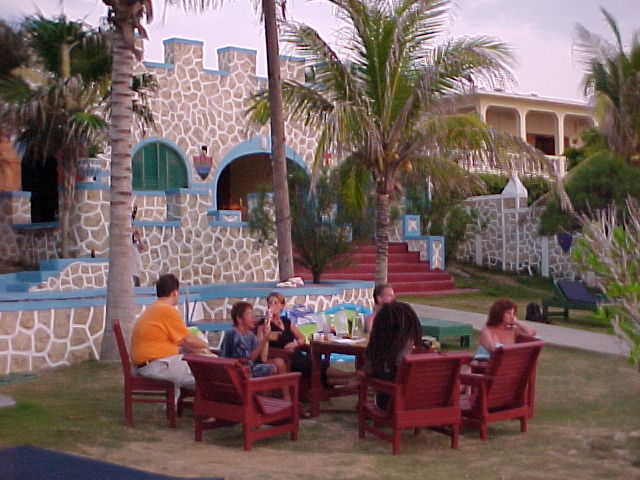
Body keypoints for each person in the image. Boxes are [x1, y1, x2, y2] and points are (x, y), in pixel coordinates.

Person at [131, 273, 211, 401]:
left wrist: (199, 351)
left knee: (200, 367)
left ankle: (179, 405)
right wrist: (206, 345)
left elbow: (182, 341)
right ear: (175, 293)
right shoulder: (167, 310)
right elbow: (188, 338)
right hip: (157, 365)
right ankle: (211, 406)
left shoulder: (154, 308)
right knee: (206, 373)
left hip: (149, 364)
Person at [256, 292, 357, 387]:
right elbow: (261, 344)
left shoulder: (286, 321)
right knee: (315, 367)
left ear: (282, 306)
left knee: (317, 366)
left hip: (296, 354)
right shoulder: (263, 324)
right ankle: (351, 377)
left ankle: (350, 378)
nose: (272, 305)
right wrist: (268, 321)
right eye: (270, 303)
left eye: (275, 303)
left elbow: (302, 338)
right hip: (284, 358)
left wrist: (295, 344)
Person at [364, 301, 423, 410]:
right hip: (423, 403)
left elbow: (368, 371)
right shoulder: (419, 353)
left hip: (390, 404)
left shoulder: (383, 354)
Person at [219, 301, 289, 381]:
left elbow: (262, 358)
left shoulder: (250, 335)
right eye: (249, 314)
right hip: (236, 371)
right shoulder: (233, 333)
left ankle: (283, 389)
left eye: (252, 314)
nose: (253, 318)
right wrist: (264, 339)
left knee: (278, 362)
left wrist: (265, 335)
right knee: (271, 368)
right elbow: (248, 360)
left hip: (247, 367)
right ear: (239, 319)